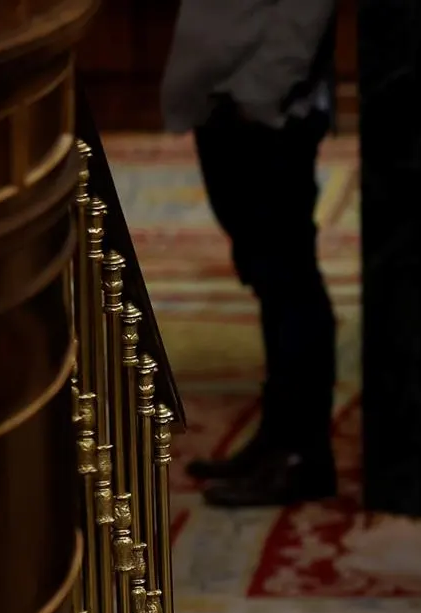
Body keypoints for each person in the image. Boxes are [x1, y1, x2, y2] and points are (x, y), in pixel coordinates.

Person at [160, 0, 341, 507]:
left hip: (266, 104)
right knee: (269, 275)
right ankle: (277, 437)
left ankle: (302, 456)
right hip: (229, 95)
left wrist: (263, 91)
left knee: (289, 277)